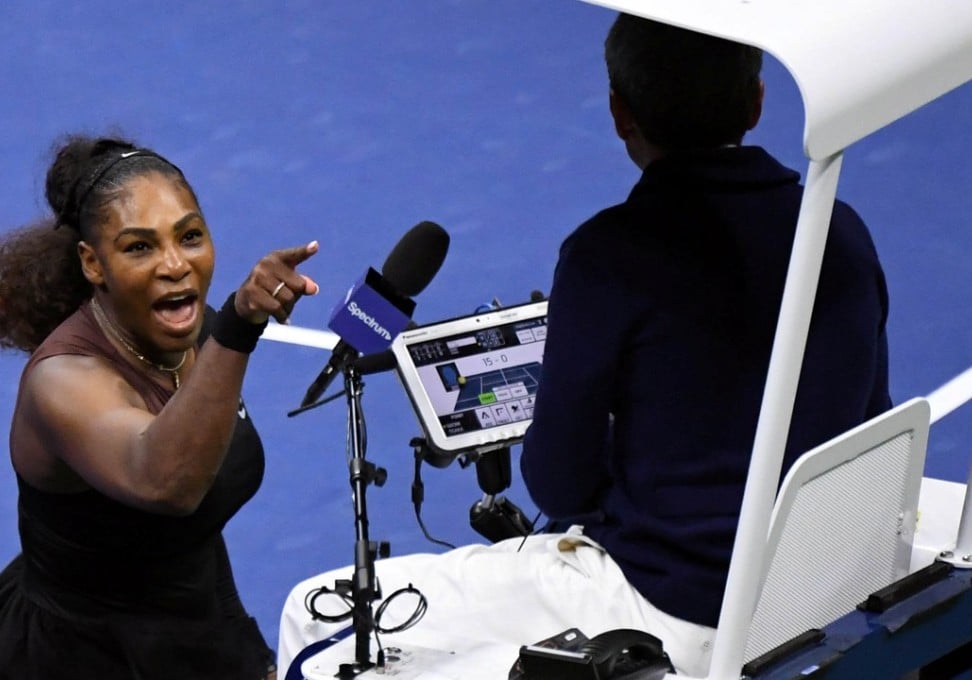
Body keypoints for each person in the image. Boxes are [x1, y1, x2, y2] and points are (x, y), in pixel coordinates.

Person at [278, 13, 889, 679]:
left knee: (313, 613)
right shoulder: (843, 231)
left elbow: (558, 484)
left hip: (670, 614)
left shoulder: (609, 257)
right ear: (757, 100)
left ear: (620, 114)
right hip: (822, 596)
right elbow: (869, 421)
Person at [0, 134, 321, 679]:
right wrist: (238, 329)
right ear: (93, 264)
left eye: (190, 236)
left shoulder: (191, 334)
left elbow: (197, 524)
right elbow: (165, 482)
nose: (176, 264)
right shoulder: (62, 383)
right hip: (79, 664)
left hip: (197, 638)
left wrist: (243, 648)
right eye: (139, 247)